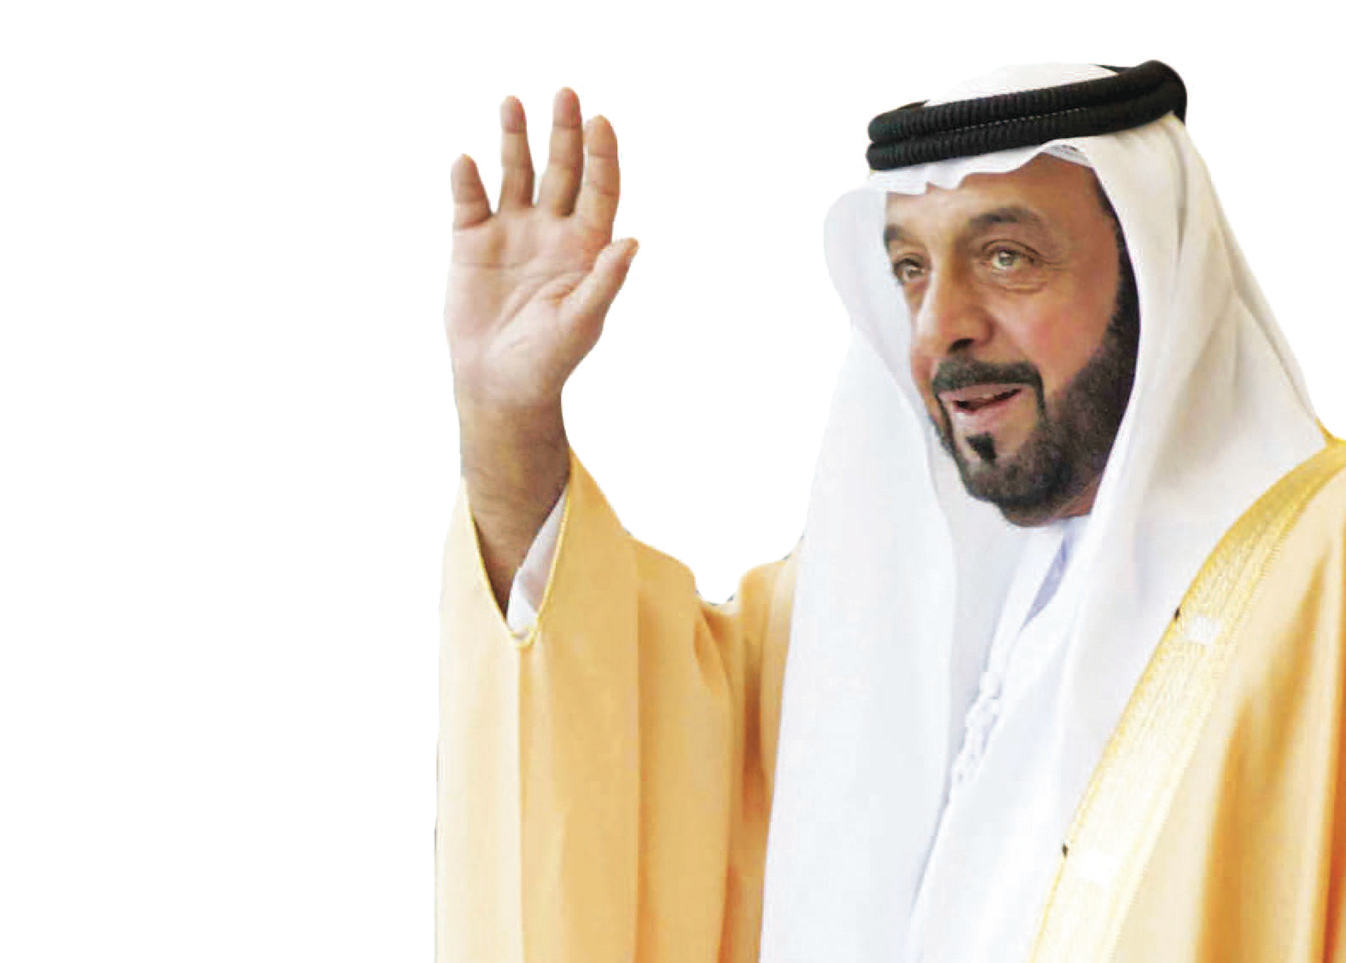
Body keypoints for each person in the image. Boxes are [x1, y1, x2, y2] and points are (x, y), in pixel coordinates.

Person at [438, 61, 1346, 962]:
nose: (940, 324)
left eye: (1007, 257)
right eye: (910, 269)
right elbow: (652, 757)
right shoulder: (873, 605)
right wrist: (507, 421)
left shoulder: (1324, 569)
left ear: (1158, 271)